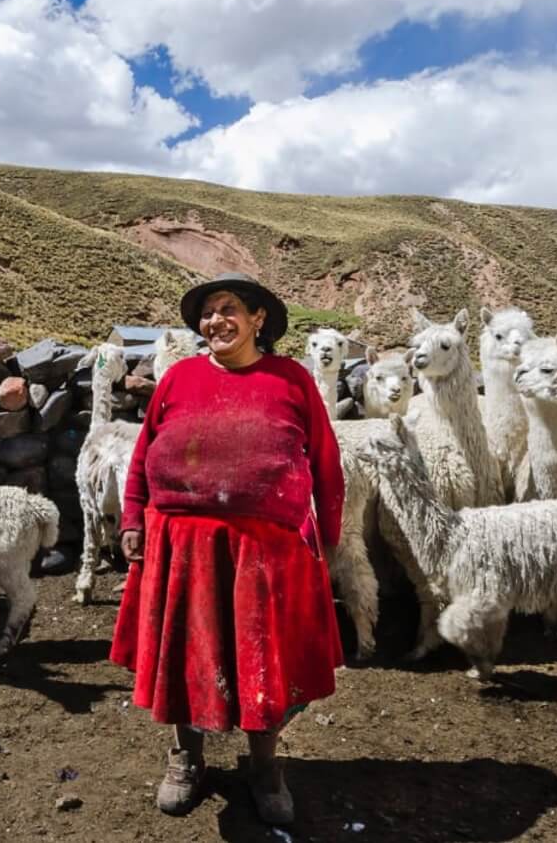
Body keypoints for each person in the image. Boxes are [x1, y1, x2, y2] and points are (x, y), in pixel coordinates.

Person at [110, 272, 345, 826]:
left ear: (258, 318)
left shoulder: (292, 381)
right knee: (185, 655)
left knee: (265, 658)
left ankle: (264, 767)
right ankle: (185, 758)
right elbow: (143, 455)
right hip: (180, 543)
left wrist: (327, 540)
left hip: (267, 552)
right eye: (208, 312)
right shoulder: (179, 379)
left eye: (229, 308)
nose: (215, 320)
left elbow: (326, 466)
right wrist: (131, 520)